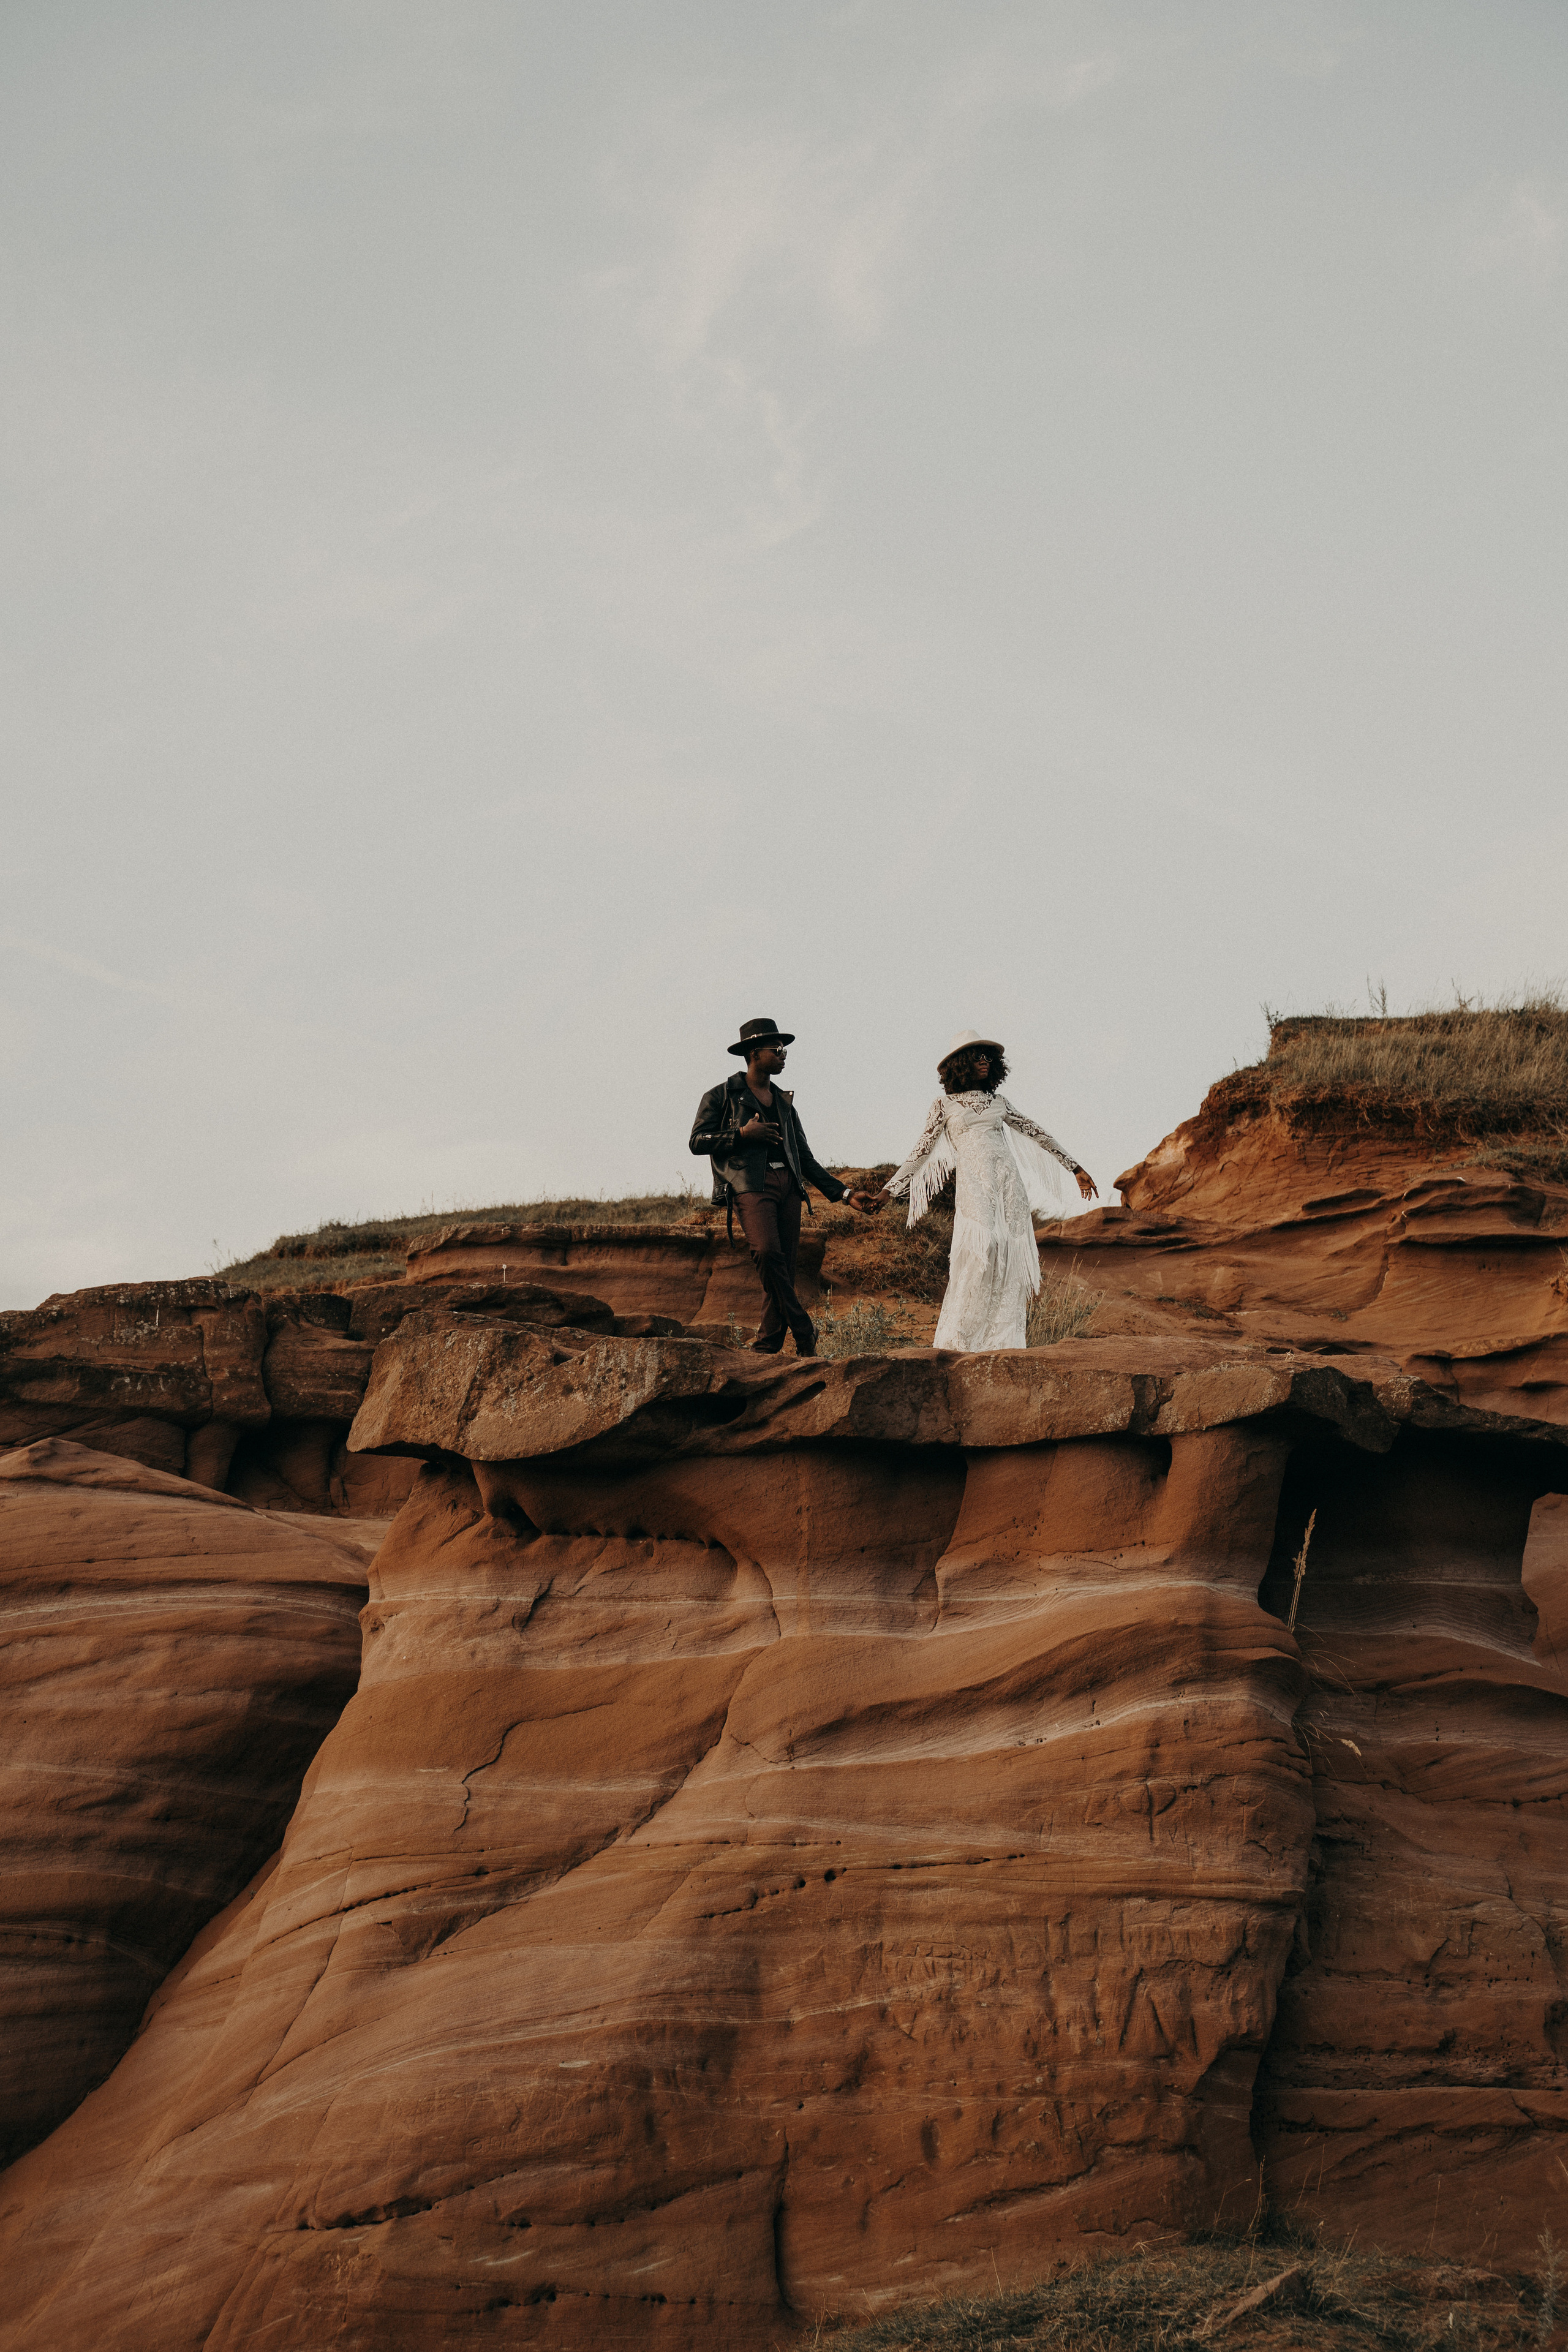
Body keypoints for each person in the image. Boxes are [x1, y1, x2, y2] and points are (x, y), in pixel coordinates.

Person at [884, 1030, 1098, 1352]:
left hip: (1009, 1185)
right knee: (977, 1255)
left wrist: (1076, 1168)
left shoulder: (1000, 1103)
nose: (984, 1061)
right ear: (960, 1065)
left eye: (988, 1057)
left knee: (1008, 1255)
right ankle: (960, 1342)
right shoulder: (944, 1105)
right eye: (976, 1056)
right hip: (974, 1187)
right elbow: (921, 1152)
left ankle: (1004, 1343)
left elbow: (1039, 1134)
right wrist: (888, 1192)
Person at [690, 1017, 878, 1355]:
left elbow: (805, 1158)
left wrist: (846, 1194)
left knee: (783, 1269)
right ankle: (804, 1329)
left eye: (785, 1048)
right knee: (766, 1253)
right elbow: (697, 1141)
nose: (783, 1054)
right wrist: (741, 1135)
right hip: (751, 1185)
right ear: (753, 1053)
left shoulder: (785, 1103)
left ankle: (767, 1345)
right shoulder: (721, 1095)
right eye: (776, 1048)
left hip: (788, 1187)